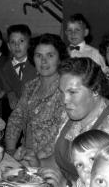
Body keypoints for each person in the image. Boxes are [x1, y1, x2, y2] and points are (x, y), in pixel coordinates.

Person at [40, 57, 109, 187]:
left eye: (72, 92)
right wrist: (38, 162)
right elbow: (59, 159)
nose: (64, 100)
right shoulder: (71, 113)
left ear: (95, 90)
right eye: (62, 92)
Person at [5, 33, 68, 167]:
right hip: (25, 158)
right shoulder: (30, 86)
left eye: (50, 55)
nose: (43, 61)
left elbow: (61, 135)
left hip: (52, 163)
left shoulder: (66, 89)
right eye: (39, 56)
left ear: (60, 59)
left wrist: (34, 160)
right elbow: (16, 119)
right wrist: (10, 151)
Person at [0, 24, 37, 110]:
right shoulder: (3, 69)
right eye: (13, 42)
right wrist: (9, 94)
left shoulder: (37, 65)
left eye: (21, 41)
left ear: (29, 44)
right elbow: (7, 89)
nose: (17, 45)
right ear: (8, 46)